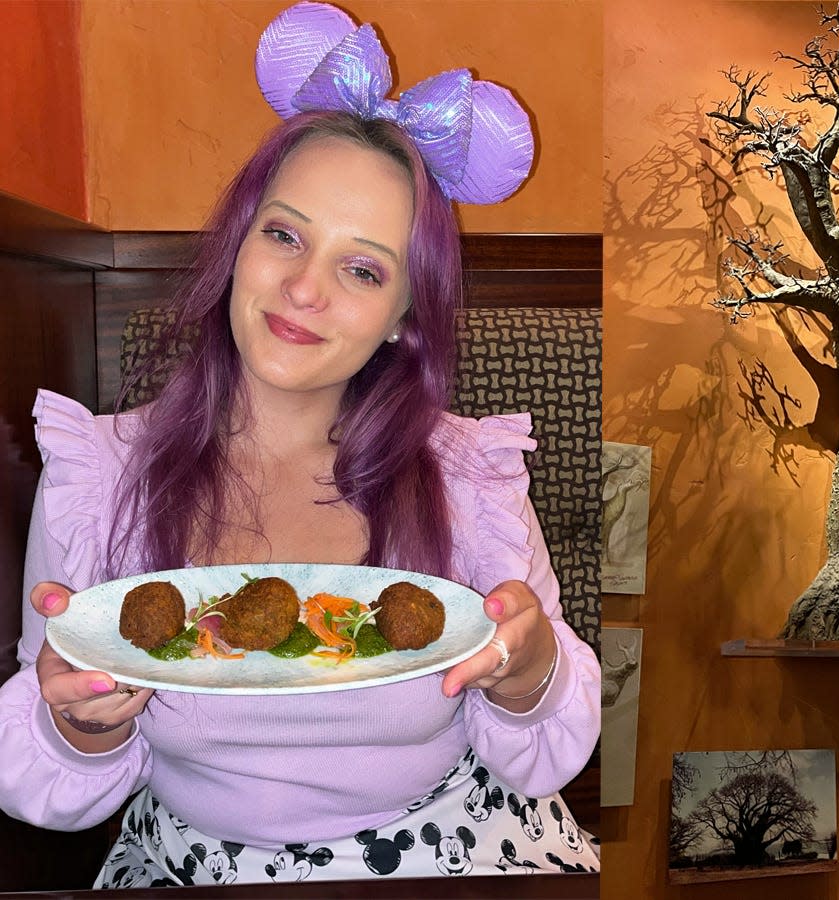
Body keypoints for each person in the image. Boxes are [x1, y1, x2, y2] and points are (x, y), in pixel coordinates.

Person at [0, 2, 599, 886]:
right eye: (284, 234)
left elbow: (540, 755)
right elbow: (48, 779)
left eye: (362, 269)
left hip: (458, 851)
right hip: (195, 866)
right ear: (238, 245)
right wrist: (84, 722)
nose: (303, 289)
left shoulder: (469, 476)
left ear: (403, 317)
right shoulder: (101, 473)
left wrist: (528, 673)